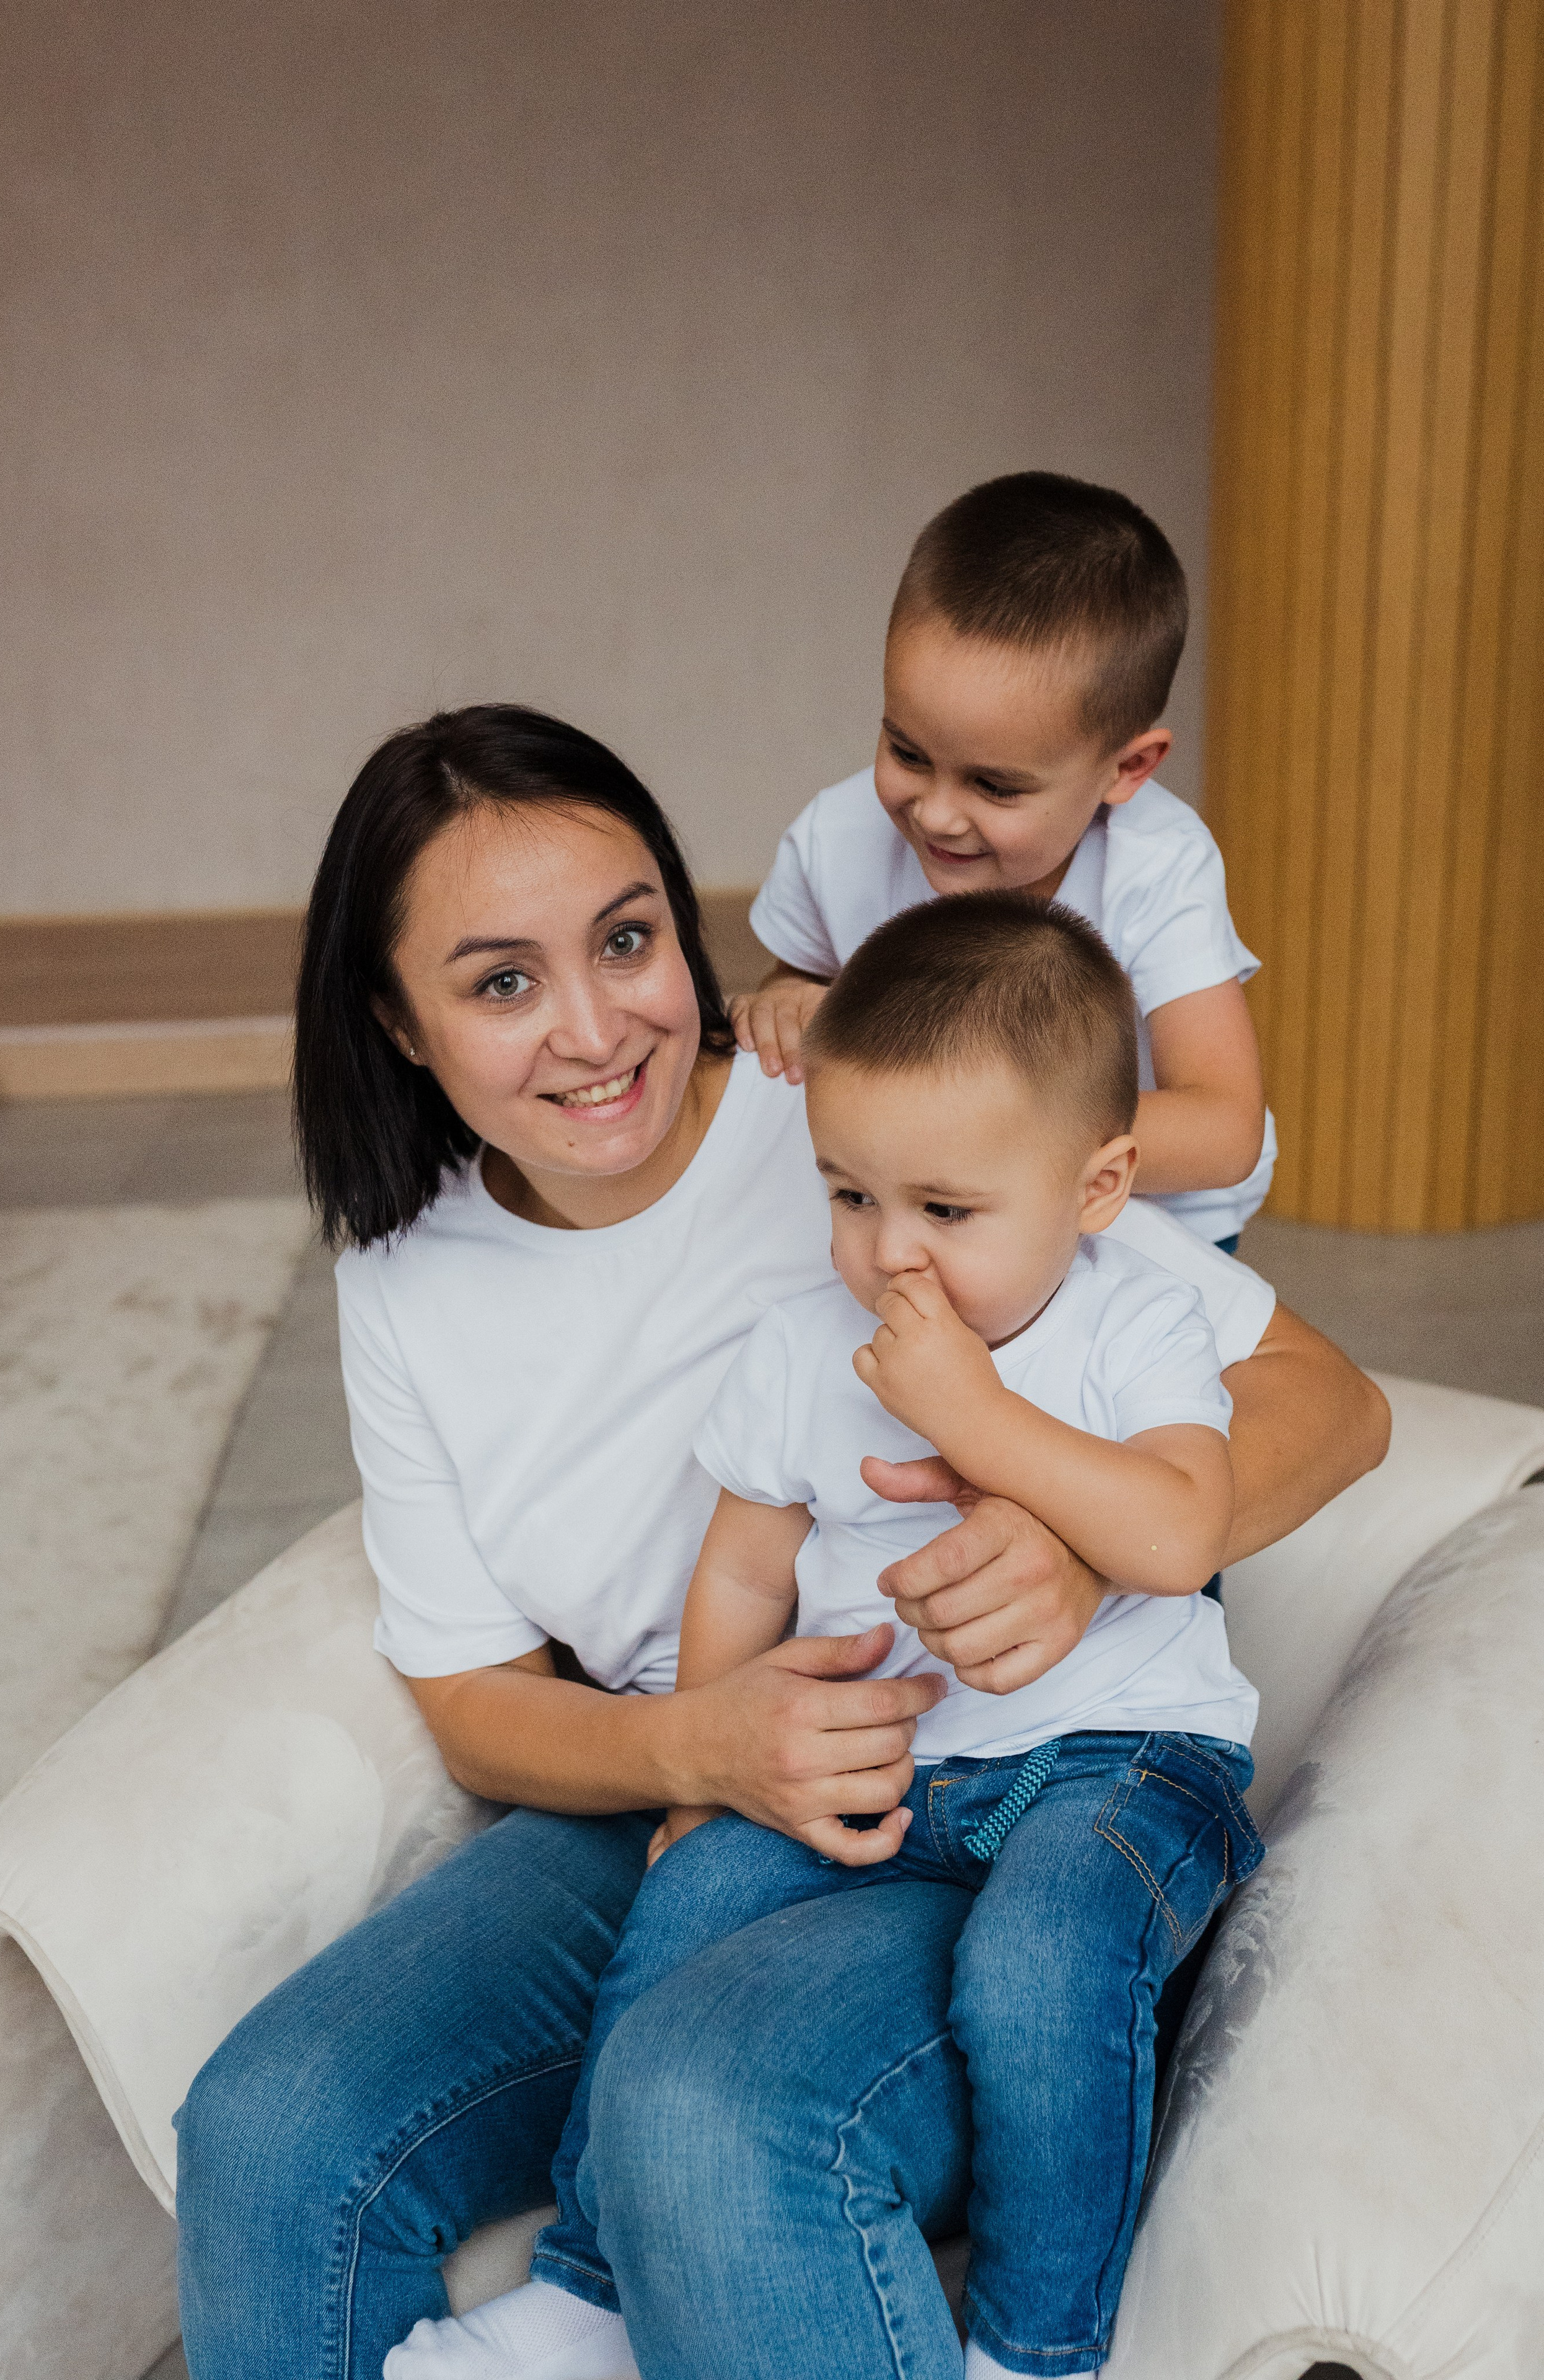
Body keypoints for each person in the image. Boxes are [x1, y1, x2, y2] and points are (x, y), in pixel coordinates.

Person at [172, 705, 1388, 2380]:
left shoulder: (874, 1124)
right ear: (395, 1019)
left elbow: (1325, 1398)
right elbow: (470, 1690)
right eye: (501, 980)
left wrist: (1082, 1546)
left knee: (704, 2108)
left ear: (691, 929)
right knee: (268, 2128)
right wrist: (696, 1753)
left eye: (628, 940)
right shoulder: (404, 1274)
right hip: (674, 1794)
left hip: (947, 1781)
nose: (597, 1030)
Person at [395, 892, 1260, 2380]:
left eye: (944, 1209)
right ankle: (592, 2284)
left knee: (1043, 1960)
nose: (887, 1255)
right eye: (849, 1196)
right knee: (681, 1908)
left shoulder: (1130, 1327)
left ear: (1096, 1183)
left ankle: (1039, 2344)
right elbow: (742, 1571)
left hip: (1119, 1762)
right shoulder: (805, 1346)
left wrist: (972, 1414)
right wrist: (700, 1769)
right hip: (896, 1770)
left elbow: (1179, 1529)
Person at [737, 470, 1276, 1252]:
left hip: (1131, 1218)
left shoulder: (1156, 867)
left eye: (994, 785)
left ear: (1127, 770)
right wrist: (785, 1005)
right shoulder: (837, 836)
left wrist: (992, 1141)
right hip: (915, 1212)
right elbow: (801, 981)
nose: (937, 812)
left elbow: (1225, 1132)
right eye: (906, 752)